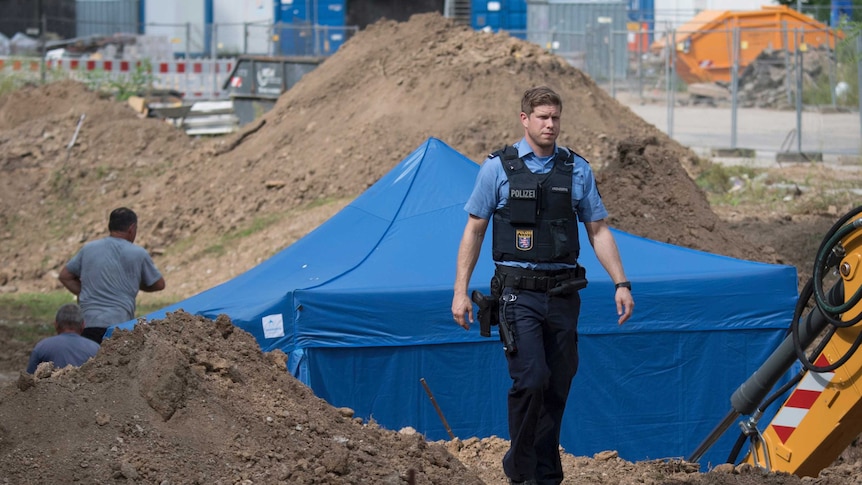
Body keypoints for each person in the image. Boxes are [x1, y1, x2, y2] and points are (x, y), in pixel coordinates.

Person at [451, 86, 634, 485]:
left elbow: (598, 229)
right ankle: (520, 469)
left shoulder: (577, 170)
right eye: (542, 118)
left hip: (563, 294)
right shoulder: (497, 168)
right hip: (517, 295)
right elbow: (475, 229)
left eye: (555, 118)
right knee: (531, 378)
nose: (550, 125)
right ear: (525, 119)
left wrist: (621, 283)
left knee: (558, 383)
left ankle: (546, 474)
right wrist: (460, 291)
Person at [58, 207, 165, 344]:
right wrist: (133, 281)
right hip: (119, 325)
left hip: (88, 323)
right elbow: (159, 284)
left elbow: (65, 276)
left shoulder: (88, 249)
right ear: (132, 228)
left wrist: (88, 291)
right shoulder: (138, 253)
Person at [26, 303, 101, 374]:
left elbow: (29, 379)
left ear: (56, 325)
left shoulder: (42, 347)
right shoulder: (95, 349)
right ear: (83, 325)